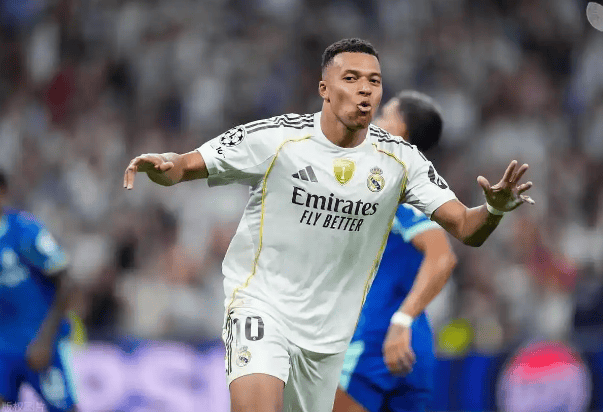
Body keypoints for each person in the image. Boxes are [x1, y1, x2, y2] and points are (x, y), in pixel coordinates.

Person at [123, 38, 534, 412]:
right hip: (263, 306)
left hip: (330, 334)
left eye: (374, 81)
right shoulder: (278, 139)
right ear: (324, 88)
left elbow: (465, 228)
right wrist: (165, 166)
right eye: (351, 78)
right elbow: (188, 164)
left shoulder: (400, 162)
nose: (365, 89)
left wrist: (493, 209)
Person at [333, 91, 456, 412]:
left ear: (401, 131)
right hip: (414, 343)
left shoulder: (396, 186)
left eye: (386, 114)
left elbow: (442, 256)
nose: (376, 120)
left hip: (376, 339)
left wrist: (400, 320)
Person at [0, 170, 78, 412]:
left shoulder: (24, 231)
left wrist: (45, 340)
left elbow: (65, 281)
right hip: (3, 346)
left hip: (37, 342)